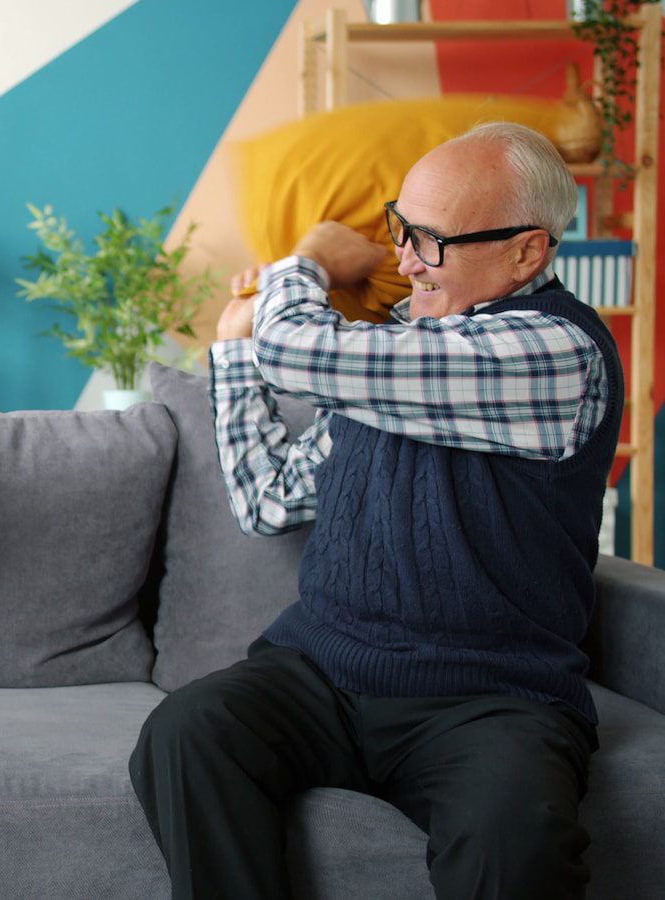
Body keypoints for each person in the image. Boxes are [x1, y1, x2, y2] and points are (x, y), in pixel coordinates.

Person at [129, 121, 621, 899]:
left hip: (488, 698)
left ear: (527, 251)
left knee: (514, 837)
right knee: (186, 733)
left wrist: (312, 258)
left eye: (430, 241)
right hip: (323, 672)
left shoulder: (553, 352)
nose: (401, 259)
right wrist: (231, 353)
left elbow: (293, 347)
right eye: (401, 228)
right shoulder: (397, 350)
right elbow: (273, 500)